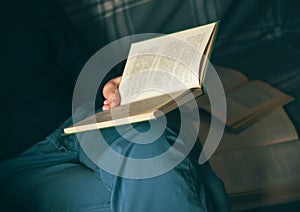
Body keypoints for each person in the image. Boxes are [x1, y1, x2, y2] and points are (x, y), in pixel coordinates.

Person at [0, 0, 230, 211]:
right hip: (21, 162)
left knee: (150, 150)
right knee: (178, 185)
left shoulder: (25, 6)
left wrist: (114, 85)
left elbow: (86, 70)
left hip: (84, 122)